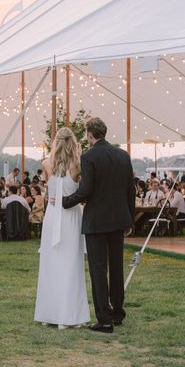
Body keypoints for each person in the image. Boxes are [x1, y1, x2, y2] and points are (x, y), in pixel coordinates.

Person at [63, 117, 135, 333]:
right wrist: (129, 218)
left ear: (89, 134)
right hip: (119, 219)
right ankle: (117, 313)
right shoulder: (123, 155)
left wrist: (66, 202)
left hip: (97, 221)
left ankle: (104, 319)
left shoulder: (89, 157)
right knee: (116, 267)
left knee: (98, 269)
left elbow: (86, 190)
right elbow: (131, 190)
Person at [35, 127, 90, 329]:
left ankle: (49, 313)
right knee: (71, 264)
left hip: (52, 216)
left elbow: (49, 189)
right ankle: (69, 316)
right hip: (71, 217)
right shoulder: (78, 165)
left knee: (52, 263)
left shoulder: (46, 164)